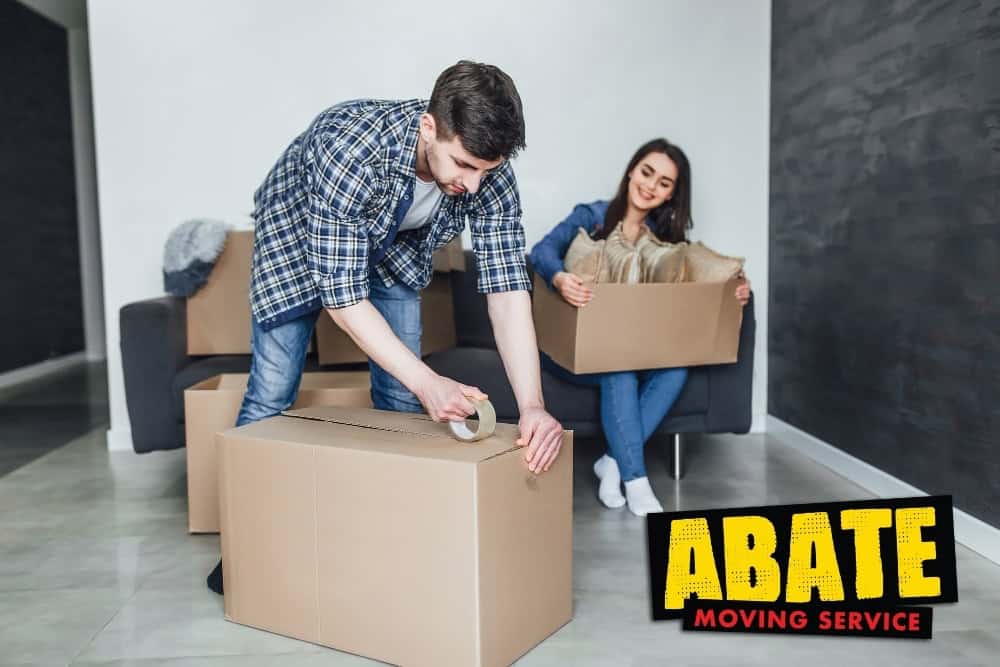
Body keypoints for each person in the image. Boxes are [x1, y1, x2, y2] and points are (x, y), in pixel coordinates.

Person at [207, 61, 564, 594]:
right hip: (296, 232)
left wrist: (532, 404)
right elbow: (343, 296)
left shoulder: (485, 170)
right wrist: (429, 381)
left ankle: (388, 534)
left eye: (486, 170)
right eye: (463, 165)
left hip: (395, 243)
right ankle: (242, 545)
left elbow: (508, 290)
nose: (473, 184)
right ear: (428, 128)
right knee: (272, 390)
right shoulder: (348, 147)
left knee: (401, 397)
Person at [529, 138, 751, 517]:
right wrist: (560, 278)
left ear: (671, 194)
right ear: (632, 170)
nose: (650, 186)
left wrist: (736, 289)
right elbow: (541, 251)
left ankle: (612, 463)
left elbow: (696, 281)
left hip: (631, 350)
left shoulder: (665, 241)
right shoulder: (592, 216)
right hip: (573, 350)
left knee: (674, 369)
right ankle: (636, 480)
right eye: (647, 173)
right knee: (619, 368)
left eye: (664, 183)